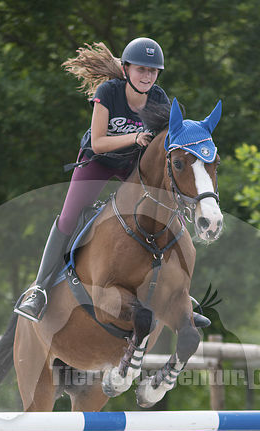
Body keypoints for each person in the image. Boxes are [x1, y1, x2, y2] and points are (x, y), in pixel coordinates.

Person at [14, 38, 209, 329]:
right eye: (142, 69)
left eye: (153, 72)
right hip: (98, 160)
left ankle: (180, 295)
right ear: (127, 69)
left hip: (132, 164)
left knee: (167, 210)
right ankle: (40, 290)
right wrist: (135, 138)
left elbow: (168, 144)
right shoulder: (109, 92)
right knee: (69, 218)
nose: (147, 76)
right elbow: (99, 142)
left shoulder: (159, 98)